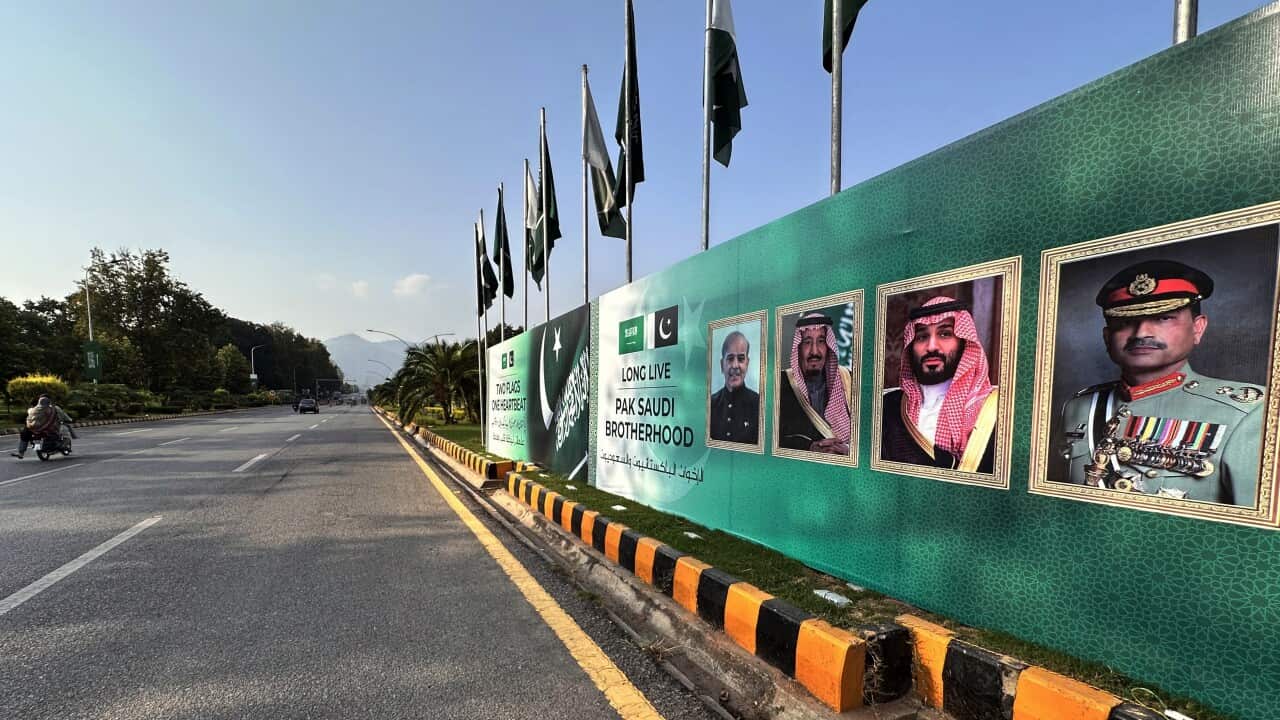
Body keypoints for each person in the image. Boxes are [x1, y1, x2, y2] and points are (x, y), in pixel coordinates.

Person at [1056, 260, 1265, 505]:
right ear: (1106, 336)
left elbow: (1257, 536)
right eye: (1125, 321)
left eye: (1163, 318)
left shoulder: (1250, 411)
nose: (1142, 332)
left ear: (1198, 329)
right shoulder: (1078, 406)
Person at [881, 296, 998, 472]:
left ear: (964, 342)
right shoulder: (888, 406)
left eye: (945, 334)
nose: (932, 346)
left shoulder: (993, 411)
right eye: (922, 336)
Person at [778, 313, 852, 455]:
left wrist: (849, 450)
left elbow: (868, 435)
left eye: (821, 341)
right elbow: (771, 438)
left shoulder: (848, 379)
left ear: (828, 346)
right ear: (798, 348)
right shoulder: (782, 384)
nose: (814, 351)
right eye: (807, 342)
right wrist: (809, 448)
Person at [709, 330, 760, 444]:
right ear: (722, 365)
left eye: (741, 359)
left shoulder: (759, 405)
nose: (735, 365)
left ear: (747, 364)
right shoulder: (710, 404)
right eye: (730, 358)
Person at [11, 395, 75, 460]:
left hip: (33, 430)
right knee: (61, 433)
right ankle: (58, 446)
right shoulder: (55, 408)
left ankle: (21, 453)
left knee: (24, 434)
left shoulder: (33, 409)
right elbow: (64, 416)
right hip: (49, 429)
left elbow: (29, 419)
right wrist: (70, 420)